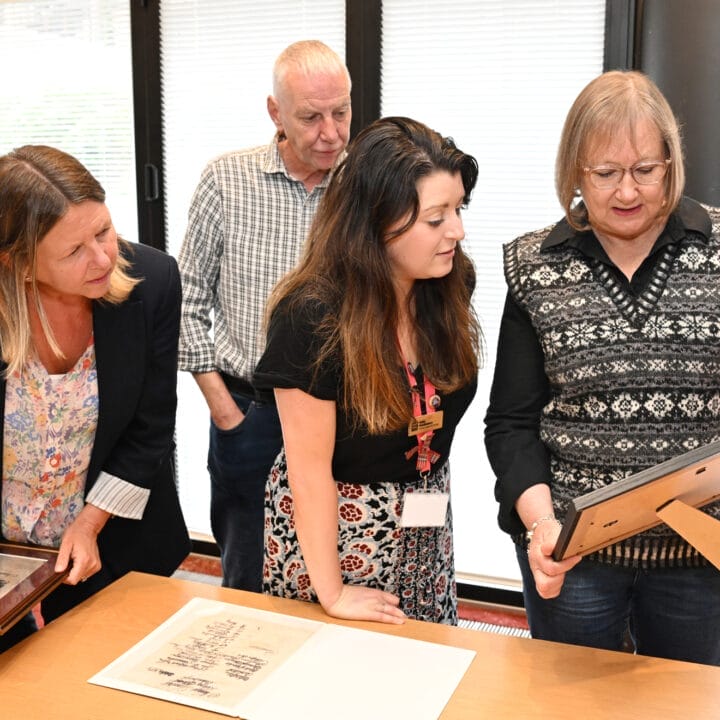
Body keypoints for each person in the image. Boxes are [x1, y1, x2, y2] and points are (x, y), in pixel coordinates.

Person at [484, 70, 720, 665]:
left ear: (671, 160)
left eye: (645, 169)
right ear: (574, 172)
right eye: (605, 173)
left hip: (701, 560)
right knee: (573, 702)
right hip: (575, 558)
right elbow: (511, 424)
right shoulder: (535, 266)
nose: (627, 192)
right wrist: (542, 528)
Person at [253, 116, 481, 625]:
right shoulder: (311, 316)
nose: (457, 231)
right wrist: (332, 593)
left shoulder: (447, 282)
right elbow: (308, 475)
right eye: (436, 218)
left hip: (425, 515)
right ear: (376, 222)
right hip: (334, 534)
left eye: (458, 209)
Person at [0, 145, 191, 652]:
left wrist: (89, 524)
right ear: (17, 264)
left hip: (117, 548)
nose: (103, 257)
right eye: (73, 250)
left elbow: (151, 427)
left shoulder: (152, 283)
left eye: (103, 231)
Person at [177, 40, 352, 592]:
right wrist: (223, 408)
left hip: (344, 413)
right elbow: (185, 300)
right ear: (275, 112)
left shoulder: (365, 185)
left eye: (341, 112)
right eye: (311, 117)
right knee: (248, 574)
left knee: (336, 567)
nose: (330, 133)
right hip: (249, 412)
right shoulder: (226, 181)